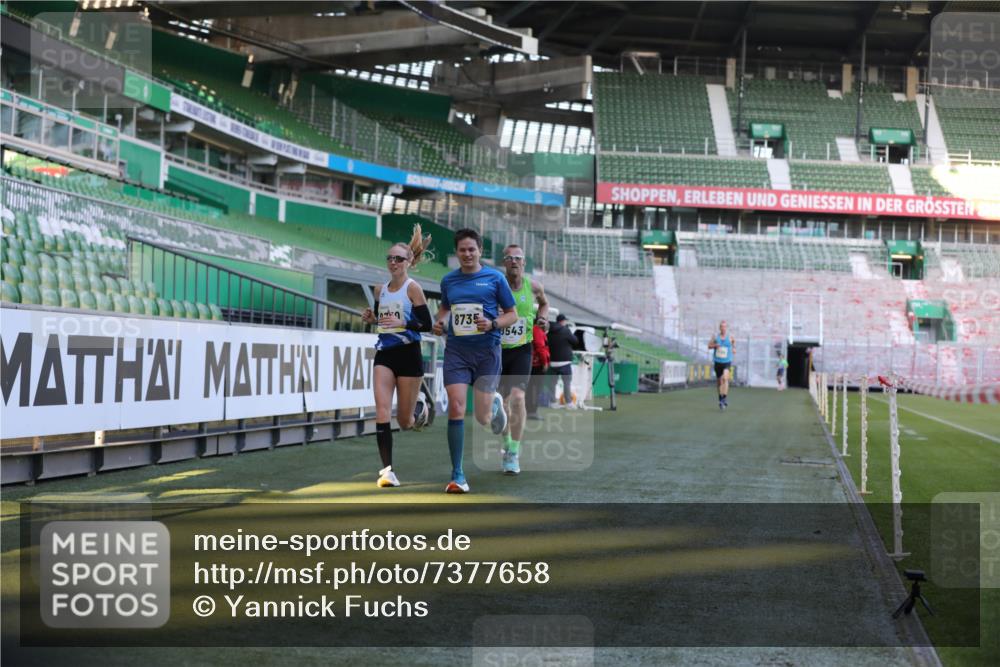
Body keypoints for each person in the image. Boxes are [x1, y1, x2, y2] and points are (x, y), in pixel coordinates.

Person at [432, 229, 518, 494]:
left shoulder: (495, 278)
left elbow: (512, 315)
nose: (467, 254)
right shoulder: (449, 281)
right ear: (456, 253)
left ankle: (495, 406)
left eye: (472, 249)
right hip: (457, 351)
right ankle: (457, 474)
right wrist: (440, 321)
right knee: (456, 407)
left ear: (480, 250)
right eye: (462, 250)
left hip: (487, 352)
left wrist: (492, 323)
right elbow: (445, 308)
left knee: (482, 418)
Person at [361, 226, 434, 488]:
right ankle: (387, 472)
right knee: (381, 412)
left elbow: (426, 323)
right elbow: (384, 322)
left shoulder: (413, 289)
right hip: (385, 353)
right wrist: (372, 319)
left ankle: (420, 405)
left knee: (405, 422)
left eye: (398, 259)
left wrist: (406, 320)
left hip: (409, 354)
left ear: (409, 262)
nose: (393, 262)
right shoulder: (381, 290)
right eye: (390, 258)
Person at [497, 244, 549, 475]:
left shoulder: (534, 287)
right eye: (509, 258)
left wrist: (543, 319)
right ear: (504, 263)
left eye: (518, 258)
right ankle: (507, 441)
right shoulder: (495, 285)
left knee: (518, 398)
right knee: (500, 404)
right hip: (496, 351)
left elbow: (545, 305)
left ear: (524, 263)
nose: (514, 262)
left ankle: (513, 453)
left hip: (521, 350)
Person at [547, 313, 580, 407]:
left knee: (552, 383)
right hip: (564, 361)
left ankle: (552, 402)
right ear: (563, 321)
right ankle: (569, 402)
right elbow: (575, 341)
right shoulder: (566, 330)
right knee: (567, 383)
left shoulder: (550, 330)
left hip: (552, 361)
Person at [526, 316, 550, 420]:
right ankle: (532, 411)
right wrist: (544, 362)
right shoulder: (537, 330)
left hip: (532, 363)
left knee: (531, 388)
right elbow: (540, 347)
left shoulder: (533, 329)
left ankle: (529, 410)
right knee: (535, 389)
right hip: (537, 364)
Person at [708, 320, 735, 410]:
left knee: (725, 378)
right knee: (719, 381)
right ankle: (720, 398)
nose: (723, 328)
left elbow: (733, 344)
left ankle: (724, 398)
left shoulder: (730, 337)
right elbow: (709, 346)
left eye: (725, 327)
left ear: (726, 328)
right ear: (720, 328)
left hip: (727, 361)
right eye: (722, 327)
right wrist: (715, 345)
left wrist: (734, 349)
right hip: (717, 362)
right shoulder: (715, 336)